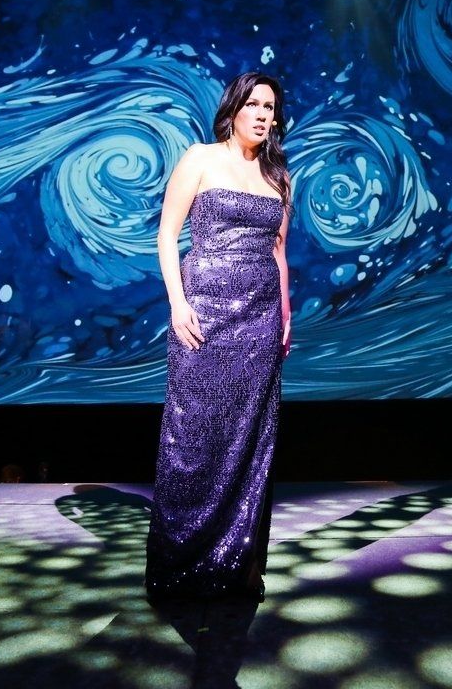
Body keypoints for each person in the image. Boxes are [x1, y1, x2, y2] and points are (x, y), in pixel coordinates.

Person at [145, 72, 292, 602]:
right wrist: (177, 301)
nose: (260, 113)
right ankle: (180, 562)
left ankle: (236, 563)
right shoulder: (199, 158)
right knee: (194, 437)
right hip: (202, 315)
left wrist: (287, 314)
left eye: (269, 106)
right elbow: (166, 235)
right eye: (252, 103)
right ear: (233, 108)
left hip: (260, 322)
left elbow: (278, 252)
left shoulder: (279, 176)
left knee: (249, 442)